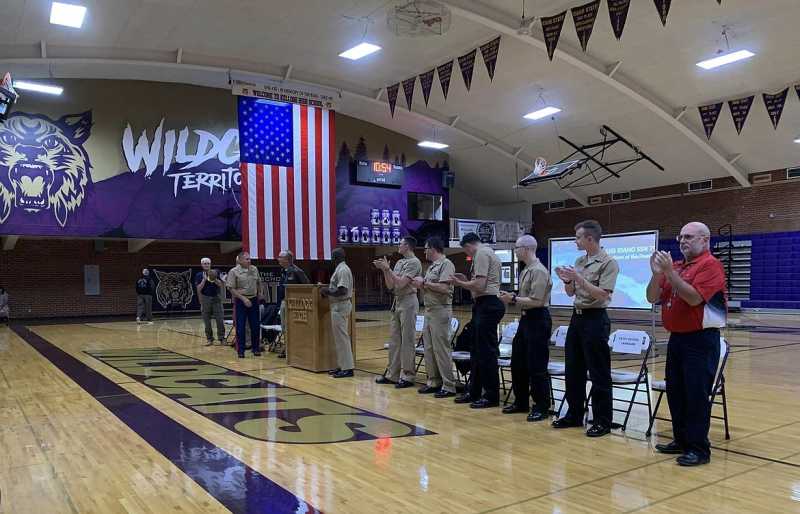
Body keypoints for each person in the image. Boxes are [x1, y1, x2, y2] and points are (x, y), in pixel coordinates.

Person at [647, 222, 726, 466]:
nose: (683, 241)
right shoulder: (678, 267)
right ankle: (681, 440)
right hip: (677, 339)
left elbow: (693, 298)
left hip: (700, 341)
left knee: (695, 395)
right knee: (676, 393)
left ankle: (699, 449)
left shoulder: (710, 265)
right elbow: (651, 297)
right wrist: (657, 273)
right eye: (680, 236)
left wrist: (669, 273)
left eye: (689, 237)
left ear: (705, 240)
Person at [552, 220, 619, 437]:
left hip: (595, 319)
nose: (575, 241)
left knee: (598, 371)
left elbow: (603, 295)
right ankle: (574, 414)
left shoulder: (608, 262)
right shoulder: (580, 260)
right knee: (573, 369)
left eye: (578, 237)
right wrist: (567, 281)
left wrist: (577, 278)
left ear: (590, 239)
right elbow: (572, 294)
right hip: (577, 318)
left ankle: (602, 420)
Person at [448, 232, 506, 409]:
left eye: (466, 251)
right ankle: (475, 391)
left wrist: (461, 284)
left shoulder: (481, 253)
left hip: (488, 303)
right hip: (483, 303)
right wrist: (466, 281)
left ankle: (491, 395)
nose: (468, 254)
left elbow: (480, 286)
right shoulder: (487, 253)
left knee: (486, 353)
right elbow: (478, 285)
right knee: (477, 350)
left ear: (468, 246)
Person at [499, 234, 553, 422]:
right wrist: (513, 296)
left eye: (517, 248)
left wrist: (513, 299)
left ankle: (541, 406)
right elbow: (526, 297)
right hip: (525, 319)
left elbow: (537, 301)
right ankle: (521, 401)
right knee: (518, 362)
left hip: (537, 319)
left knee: (536, 365)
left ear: (527, 248)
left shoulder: (538, 271)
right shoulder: (525, 270)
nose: (515, 251)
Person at [373, 236, 422, 388]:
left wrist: (388, 269)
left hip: (408, 300)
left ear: (407, 246)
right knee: (394, 340)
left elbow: (401, 284)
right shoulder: (400, 262)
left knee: (407, 340)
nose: (398, 246)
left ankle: (408, 376)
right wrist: (385, 271)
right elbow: (390, 285)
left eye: (400, 244)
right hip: (397, 301)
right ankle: (392, 374)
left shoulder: (414, 262)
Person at [412, 237, 457, 398]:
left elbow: (445, 288)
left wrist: (424, 283)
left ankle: (449, 385)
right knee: (429, 348)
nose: (424, 251)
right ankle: (434, 381)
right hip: (429, 310)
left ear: (433, 248)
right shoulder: (432, 267)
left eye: (425, 248)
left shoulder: (446, 264)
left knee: (441, 349)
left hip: (441, 310)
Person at [321, 248, 355, 378]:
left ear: (335, 258)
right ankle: (342, 365)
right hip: (338, 305)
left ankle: (348, 368)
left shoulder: (343, 270)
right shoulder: (341, 269)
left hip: (340, 305)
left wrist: (327, 291)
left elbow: (342, 290)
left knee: (342, 338)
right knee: (339, 339)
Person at [226, 252, 264, 358]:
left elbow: (259, 282)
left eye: (249, 259)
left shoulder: (254, 269)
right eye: (246, 259)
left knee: (255, 326)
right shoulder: (234, 272)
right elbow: (231, 288)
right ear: (240, 260)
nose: (249, 261)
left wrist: (260, 293)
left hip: (253, 299)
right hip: (241, 301)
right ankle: (241, 351)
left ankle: (255, 349)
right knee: (241, 326)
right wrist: (243, 299)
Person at [277, 250, 310, 356]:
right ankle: (287, 348)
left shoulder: (297, 271)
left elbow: (307, 287)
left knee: (294, 327)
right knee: (284, 327)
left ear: (287, 259)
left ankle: (295, 349)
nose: (278, 259)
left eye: (280, 257)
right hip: (284, 302)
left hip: (294, 304)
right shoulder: (283, 271)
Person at [195, 258, 225, 345]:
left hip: (216, 298)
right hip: (205, 298)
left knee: (219, 320)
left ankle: (222, 338)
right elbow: (199, 289)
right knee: (207, 321)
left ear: (210, 264)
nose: (206, 265)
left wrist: (214, 278)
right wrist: (204, 279)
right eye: (204, 263)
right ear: (201, 265)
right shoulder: (199, 275)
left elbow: (221, 285)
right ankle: (209, 339)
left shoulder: (216, 272)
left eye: (208, 263)